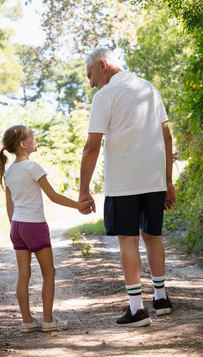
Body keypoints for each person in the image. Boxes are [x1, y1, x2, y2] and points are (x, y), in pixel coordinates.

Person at [79, 47, 176, 327]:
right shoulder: (148, 88)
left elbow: (91, 147)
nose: (91, 82)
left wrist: (84, 190)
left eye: (90, 75)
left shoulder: (105, 96)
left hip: (124, 182)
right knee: (152, 236)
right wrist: (168, 181)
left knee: (128, 240)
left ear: (102, 65)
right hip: (154, 179)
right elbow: (166, 136)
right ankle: (161, 298)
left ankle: (137, 309)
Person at [0, 125, 93, 333]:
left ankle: (27, 321)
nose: (34, 139)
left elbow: (9, 204)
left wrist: (14, 226)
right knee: (49, 272)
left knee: (24, 276)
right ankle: (48, 320)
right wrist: (79, 206)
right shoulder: (33, 167)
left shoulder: (10, 171)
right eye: (31, 136)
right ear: (23, 144)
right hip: (34, 226)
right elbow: (53, 196)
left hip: (17, 226)